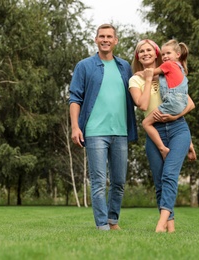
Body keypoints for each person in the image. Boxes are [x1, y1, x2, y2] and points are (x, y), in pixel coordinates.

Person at [69, 24, 137, 230]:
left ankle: (112, 220)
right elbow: (74, 98)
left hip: (120, 132)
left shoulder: (125, 67)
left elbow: (137, 93)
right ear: (96, 40)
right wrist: (75, 127)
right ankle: (102, 225)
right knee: (98, 182)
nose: (105, 39)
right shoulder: (85, 66)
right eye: (102, 36)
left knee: (118, 182)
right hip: (95, 132)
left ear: (116, 41)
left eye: (109, 36)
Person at [128, 39, 196, 233]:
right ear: (137, 56)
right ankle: (170, 228)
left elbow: (189, 103)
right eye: (141, 51)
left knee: (170, 176)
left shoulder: (168, 72)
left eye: (149, 50)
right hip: (155, 132)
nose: (145, 53)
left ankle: (160, 225)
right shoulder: (136, 79)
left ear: (156, 53)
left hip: (177, 127)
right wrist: (148, 78)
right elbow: (142, 105)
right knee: (159, 182)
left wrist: (175, 117)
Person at [138, 39, 190, 160]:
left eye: (168, 53)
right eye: (163, 54)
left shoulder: (168, 65)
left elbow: (151, 73)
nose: (165, 56)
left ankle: (162, 149)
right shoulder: (180, 67)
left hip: (172, 102)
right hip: (181, 103)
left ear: (178, 54)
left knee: (146, 123)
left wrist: (141, 73)